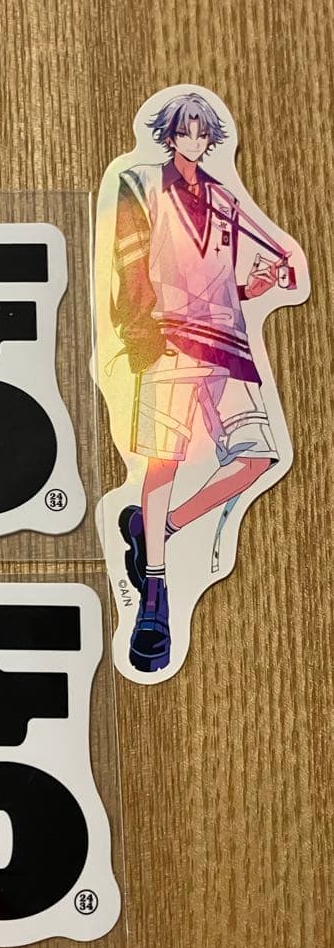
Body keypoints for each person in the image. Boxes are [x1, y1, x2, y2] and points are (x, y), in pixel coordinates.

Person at [111, 92, 290, 672]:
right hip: (165, 338)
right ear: (169, 135)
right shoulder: (139, 183)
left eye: (201, 132)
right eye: (184, 131)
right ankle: (154, 593)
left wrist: (252, 289)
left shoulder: (225, 199)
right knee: (162, 461)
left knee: (257, 457)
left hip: (226, 343)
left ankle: (157, 529)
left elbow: (217, 282)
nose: (193, 140)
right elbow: (129, 267)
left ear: (211, 139)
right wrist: (139, 333)